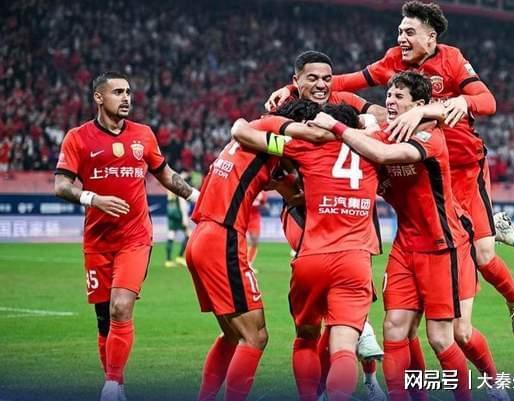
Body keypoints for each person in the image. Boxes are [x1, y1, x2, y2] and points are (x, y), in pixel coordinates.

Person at [266, 0, 514, 343]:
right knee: (437, 327)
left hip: (465, 168)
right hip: (426, 169)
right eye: (399, 31)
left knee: (483, 255)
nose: (401, 38)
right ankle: (483, 227)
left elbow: (488, 102)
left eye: (409, 32)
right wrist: (292, 89)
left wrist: (460, 102)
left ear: (431, 37)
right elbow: (344, 82)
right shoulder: (393, 61)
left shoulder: (451, 59)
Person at [311, 71, 510, 401]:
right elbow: (360, 141)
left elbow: (384, 156)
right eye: (389, 95)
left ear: (419, 105)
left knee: (442, 337)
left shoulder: (431, 136)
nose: (390, 101)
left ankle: (485, 387)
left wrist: (336, 127)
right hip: (406, 246)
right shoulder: (387, 134)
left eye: (399, 96)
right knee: (394, 327)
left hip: (442, 245)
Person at [53, 71, 200, 401]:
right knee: (104, 320)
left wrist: (198, 198)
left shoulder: (143, 135)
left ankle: (111, 384)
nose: (126, 98)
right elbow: (61, 185)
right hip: (97, 241)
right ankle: (116, 385)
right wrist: (93, 198)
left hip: (135, 238)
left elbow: (166, 175)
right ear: (99, 97)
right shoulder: (78, 138)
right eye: (118, 92)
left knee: (121, 307)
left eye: (128, 92)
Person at [185, 101, 336, 401]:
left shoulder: (255, 143)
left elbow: (292, 192)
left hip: (203, 236)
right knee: (255, 336)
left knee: (233, 334)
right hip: (222, 238)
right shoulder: (271, 128)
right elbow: (302, 147)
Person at [232, 103, 381, 401]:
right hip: (354, 260)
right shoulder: (375, 147)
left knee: (305, 339)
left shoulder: (304, 147)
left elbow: (243, 133)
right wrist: (361, 125)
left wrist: (288, 128)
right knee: (343, 349)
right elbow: (379, 125)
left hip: (312, 258)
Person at [165, 176, 192, 268]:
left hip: (170, 212)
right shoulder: (179, 187)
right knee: (189, 235)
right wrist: (185, 218)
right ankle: (180, 257)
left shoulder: (169, 187)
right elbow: (182, 203)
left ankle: (168, 260)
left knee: (171, 235)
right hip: (178, 214)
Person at [246, 191, 266, 270]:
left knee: (255, 241)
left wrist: (260, 203)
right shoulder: (247, 189)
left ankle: (249, 263)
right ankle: (240, 262)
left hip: (255, 218)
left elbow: (263, 206)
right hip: (244, 215)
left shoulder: (262, 193)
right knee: (240, 241)